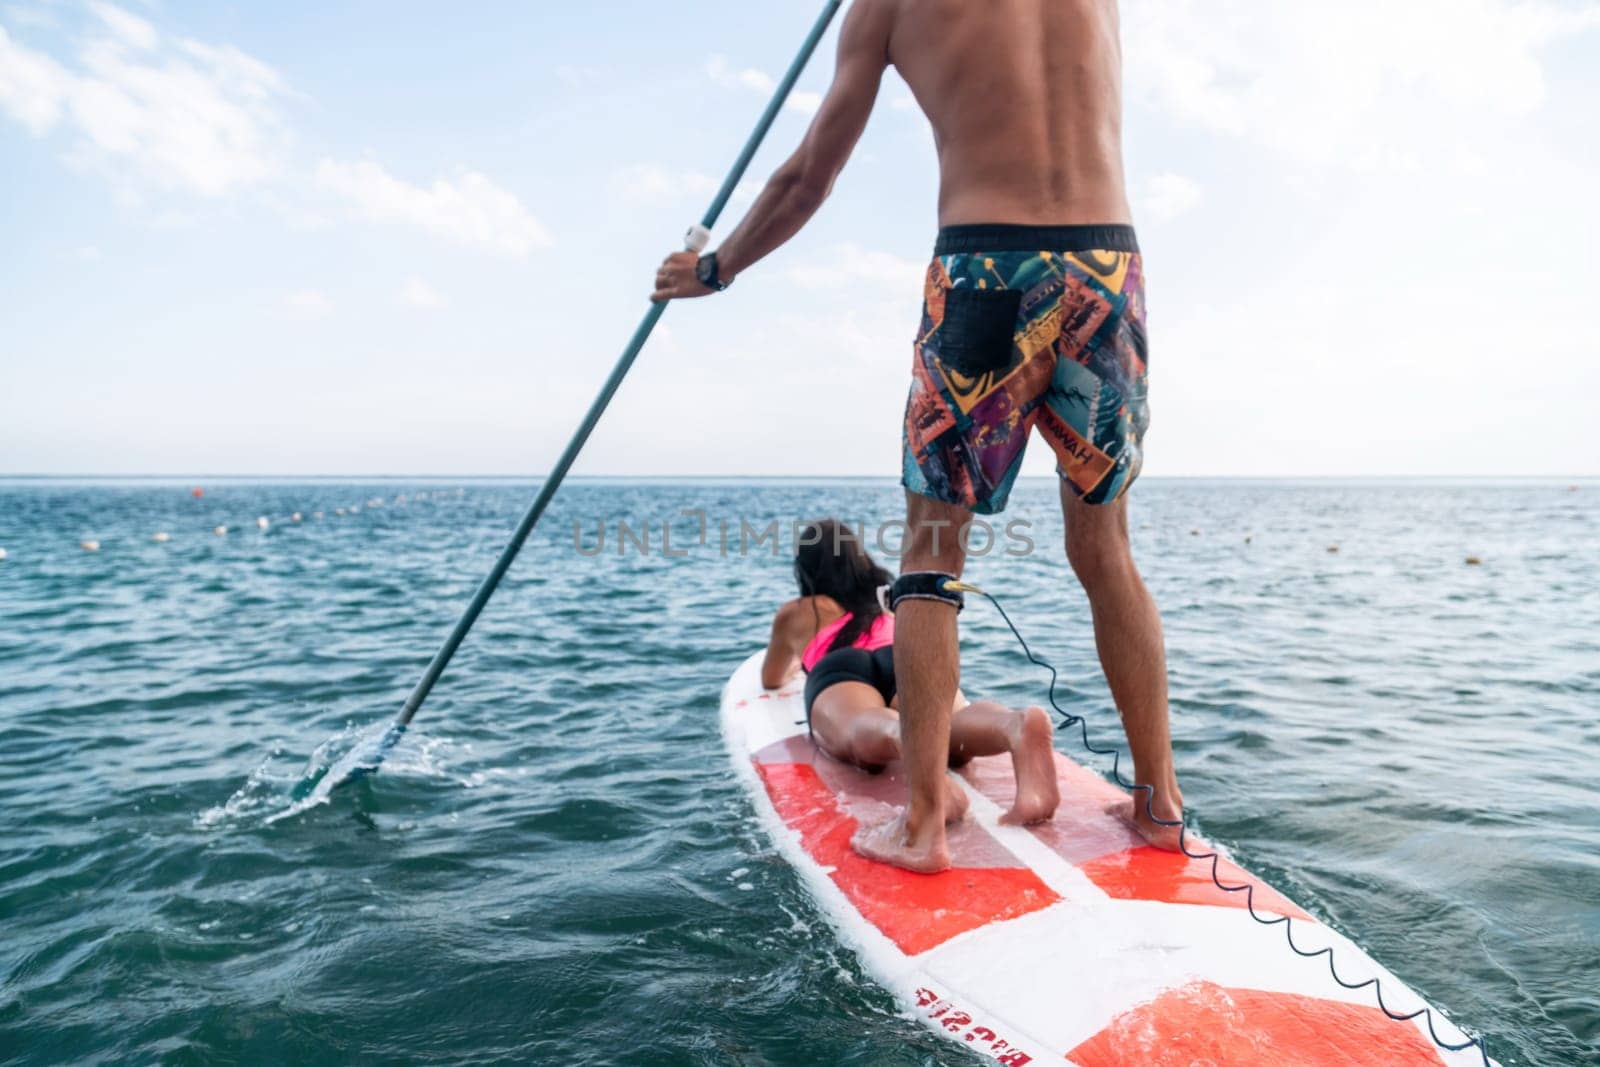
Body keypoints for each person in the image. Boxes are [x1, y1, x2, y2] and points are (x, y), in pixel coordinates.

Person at [653, 0, 1183, 872]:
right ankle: (1161, 802)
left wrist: (716, 268)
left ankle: (926, 820)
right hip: (1107, 268)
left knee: (933, 553)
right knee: (1107, 549)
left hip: (987, 263)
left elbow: (806, 179)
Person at [762, 520, 1060, 826]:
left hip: (841, 667)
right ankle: (1013, 724)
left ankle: (900, 735)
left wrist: (798, 668)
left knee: (855, 729)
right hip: (902, 656)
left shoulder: (799, 610)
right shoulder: (885, 596)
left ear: (804, 566)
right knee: (945, 725)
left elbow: (771, 677)